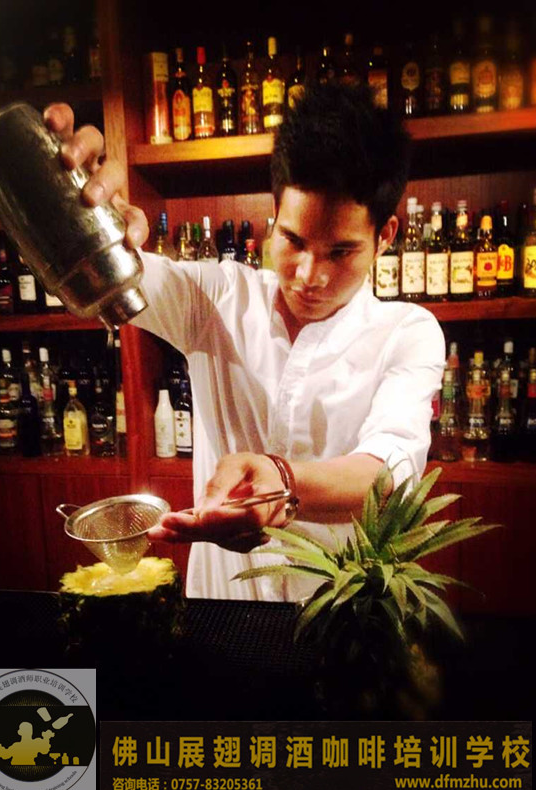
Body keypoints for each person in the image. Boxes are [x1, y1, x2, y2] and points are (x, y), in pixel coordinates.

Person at [45, 84, 445, 601]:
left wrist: (283, 480)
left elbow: (389, 474)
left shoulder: (408, 332)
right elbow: (99, 271)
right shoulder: (215, 298)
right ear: (273, 214)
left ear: (385, 235)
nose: (309, 276)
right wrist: (75, 205)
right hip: (220, 612)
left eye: (340, 251)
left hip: (339, 622)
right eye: (293, 241)